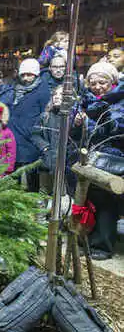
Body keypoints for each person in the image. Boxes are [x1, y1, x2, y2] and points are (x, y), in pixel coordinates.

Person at [73, 61, 123, 260]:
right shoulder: (85, 101)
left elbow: (116, 128)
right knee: (87, 200)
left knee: (105, 203)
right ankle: (86, 237)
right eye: (93, 83)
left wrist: (97, 118)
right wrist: (77, 123)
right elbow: (76, 134)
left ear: (111, 82)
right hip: (88, 157)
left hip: (110, 159)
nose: (97, 87)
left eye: (102, 82)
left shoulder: (119, 101)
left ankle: (103, 245)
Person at [8, 58, 51, 192]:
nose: (26, 78)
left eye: (30, 75)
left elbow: (45, 114)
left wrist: (34, 132)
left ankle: (32, 207)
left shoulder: (42, 91)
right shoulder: (16, 89)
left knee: (32, 176)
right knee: (15, 176)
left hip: (30, 139)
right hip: (15, 137)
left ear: (36, 74)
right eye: (23, 75)